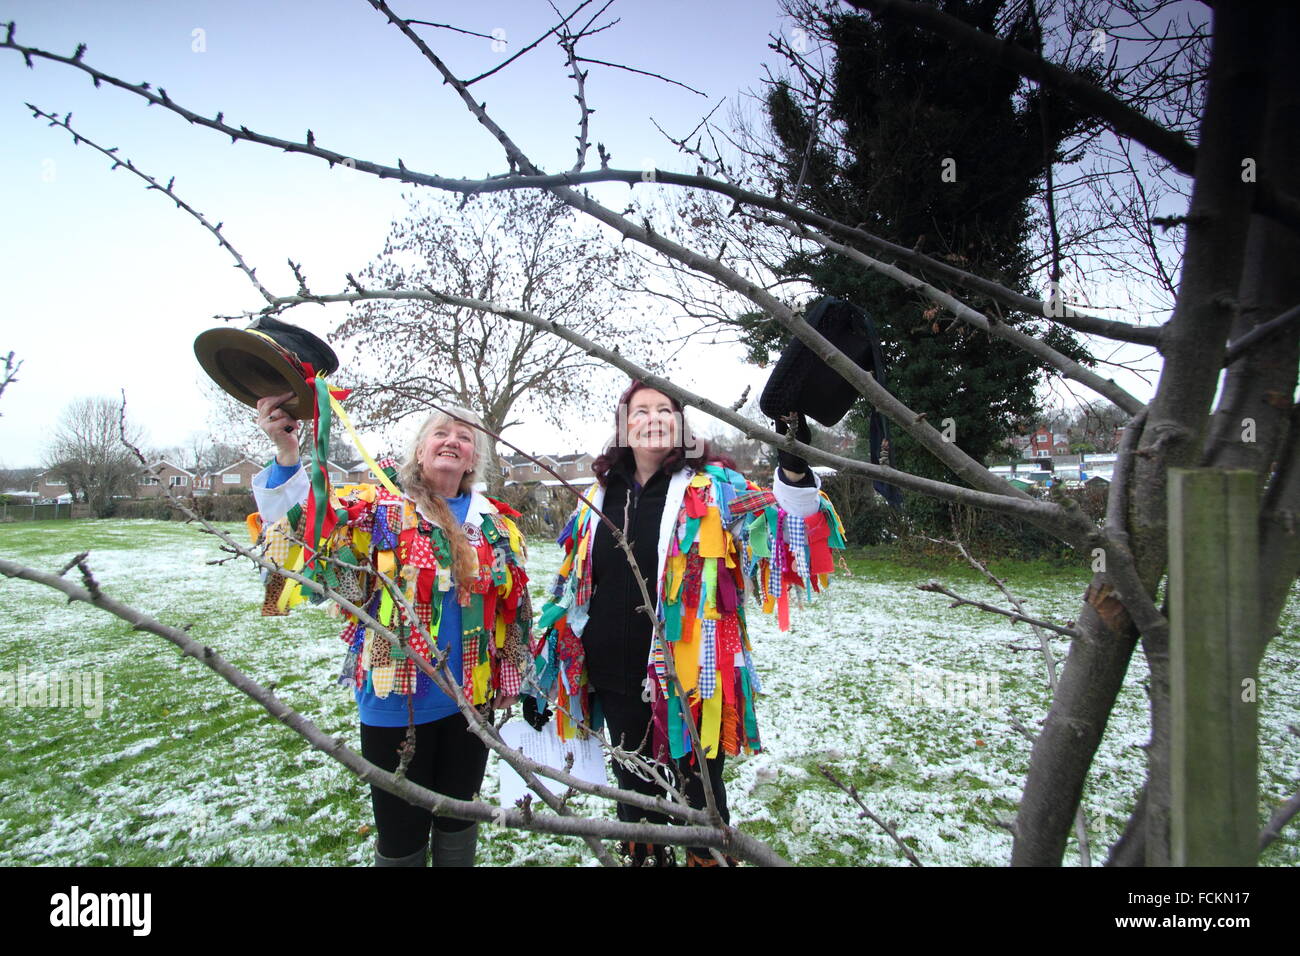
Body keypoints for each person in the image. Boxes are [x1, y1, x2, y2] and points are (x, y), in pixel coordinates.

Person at [525, 380, 844, 866]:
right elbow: (572, 590)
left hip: (692, 677)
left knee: (699, 798)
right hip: (613, 677)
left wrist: (795, 467)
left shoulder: (713, 486)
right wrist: (544, 673)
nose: (652, 418)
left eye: (664, 410)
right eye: (640, 411)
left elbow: (786, 527)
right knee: (634, 796)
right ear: (622, 426)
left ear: (680, 424)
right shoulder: (596, 495)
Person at [252, 393, 532, 867]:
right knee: (401, 835)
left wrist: (512, 672)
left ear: (473, 460)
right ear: (419, 452)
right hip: (394, 703)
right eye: (440, 433)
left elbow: (513, 608)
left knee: (459, 821)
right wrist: (287, 454)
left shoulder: (495, 526)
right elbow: (308, 531)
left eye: (465, 437)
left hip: (470, 704)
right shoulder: (381, 509)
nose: (453, 441)